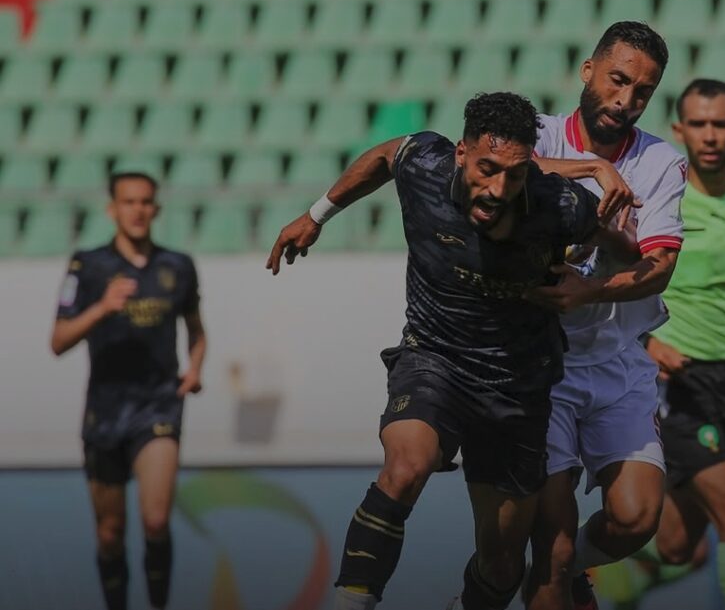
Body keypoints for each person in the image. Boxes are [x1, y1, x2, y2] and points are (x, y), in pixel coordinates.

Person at [265, 92, 641, 610]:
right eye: (488, 169)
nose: (498, 188)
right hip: (434, 359)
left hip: (517, 387)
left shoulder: (559, 204)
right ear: (462, 153)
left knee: (503, 565)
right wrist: (317, 215)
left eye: (514, 174)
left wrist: (595, 275)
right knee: (406, 467)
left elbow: (622, 246)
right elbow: (384, 156)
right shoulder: (425, 164)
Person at [593, 79, 725, 610]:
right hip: (667, 380)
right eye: (699, 124)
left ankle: (597, 564)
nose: (710, 135)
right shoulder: (660, 195)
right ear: (680, 130)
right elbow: (612, 278)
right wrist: (647, 344)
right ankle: (566, 559)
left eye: (719, 124)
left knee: (679, 545)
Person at [520, 21, 689, 610]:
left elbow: (660, 267)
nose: (625, 99)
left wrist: (589, 291)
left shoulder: (661, 163)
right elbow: (490, 166)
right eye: (617, 80)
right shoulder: (537, 133)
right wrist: (592, 171)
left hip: (617, 362)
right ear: (587, 70)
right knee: (554, 540)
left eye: (642, 91)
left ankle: (551, 575)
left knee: (636, 517)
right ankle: (548, 572)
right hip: (540, 367)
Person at [51, 171, 207, 610]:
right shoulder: (87, 266)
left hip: (158, 406)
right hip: (104, 412)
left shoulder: (178, 265)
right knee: (110, 533)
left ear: (155, 209)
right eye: (128, 202)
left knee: (155, 520)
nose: (137, 210)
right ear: (112, 209)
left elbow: (196, 330)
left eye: (145, 202)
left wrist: (195, 368)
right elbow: (58, 340)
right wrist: (102, 308)